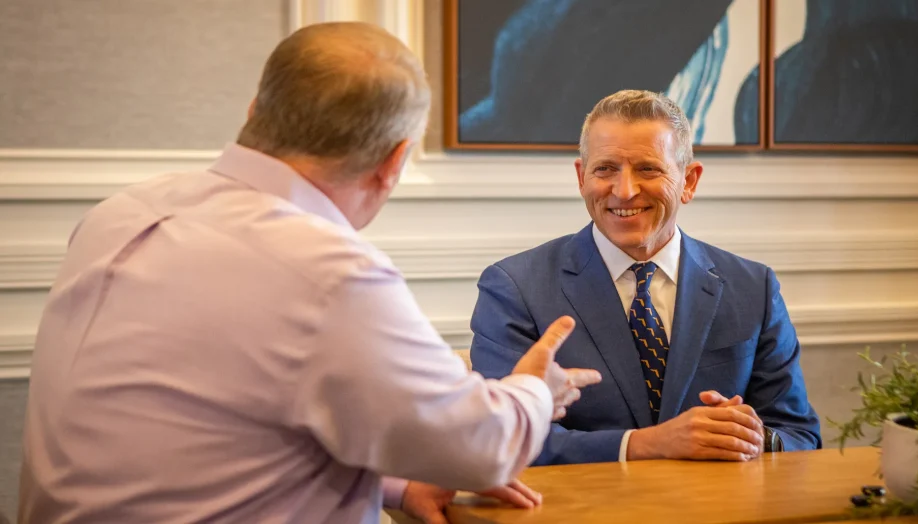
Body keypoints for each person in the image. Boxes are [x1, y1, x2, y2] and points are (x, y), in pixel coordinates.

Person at [18, 22, 601, 524]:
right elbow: (482, 449)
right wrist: (534, 390)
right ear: (395, 161)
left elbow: (209, 434)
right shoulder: (328, 273)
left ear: (255, 111)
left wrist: (394, 484)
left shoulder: (118, 214)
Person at [470, 90, 821, 466]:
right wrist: (647, 444)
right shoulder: (514, 287)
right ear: (581, 177)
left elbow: (800, 435)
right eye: (605, 169)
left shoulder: (754, 287)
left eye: (648, 169)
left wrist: (754, 437)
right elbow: (500, 436)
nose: (624, 191)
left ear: (689, 181)